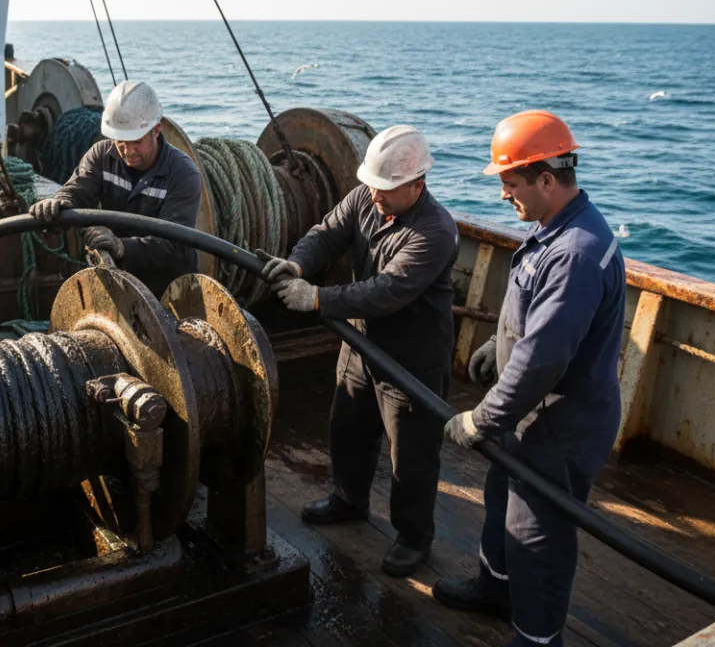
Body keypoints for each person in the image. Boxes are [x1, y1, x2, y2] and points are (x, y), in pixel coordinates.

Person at [435, 110, 625, 647]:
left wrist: (483, 418)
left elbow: (544, 359)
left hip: (562, 422)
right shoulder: (553, 229)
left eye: (509, 182)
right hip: (532, 414)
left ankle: (537, 639)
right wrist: (500, 345)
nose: (502, 195)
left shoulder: (576, 253)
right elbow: (540, 320)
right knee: (502, 497)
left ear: (547, 179)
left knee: (537, 533)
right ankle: (495, 590)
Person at [266, 125, 459, 577]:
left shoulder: (436, 232)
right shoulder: (365, 197)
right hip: (359, 345)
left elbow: (386, 291)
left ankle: (414, 537)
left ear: (418, 184)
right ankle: (348, 499)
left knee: (410, 455)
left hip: (410, 359)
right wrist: (298, 262)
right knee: (348, 428)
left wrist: (315, 299)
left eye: (387, 189)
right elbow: (327, 232)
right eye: (372, 185)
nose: (376, 196)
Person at [29, 80, 202, 297]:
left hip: (171, 292)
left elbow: (174, 246)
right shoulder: (101, 156)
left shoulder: (183, 174)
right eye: (120, 140)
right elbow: (77, 192)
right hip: (118, 282)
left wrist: (121, 247)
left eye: (136, 141)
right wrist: (58, 202)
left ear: (155, 130)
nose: (128, 151)